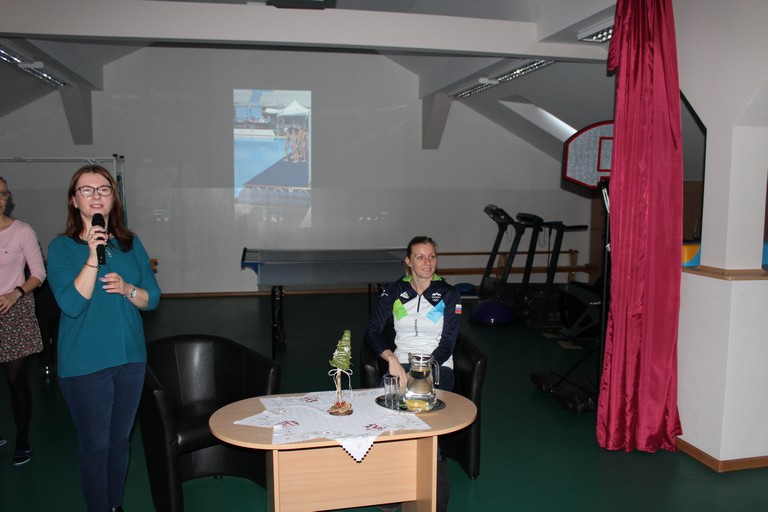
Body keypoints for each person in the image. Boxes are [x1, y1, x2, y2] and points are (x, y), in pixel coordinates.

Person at [47, 164, 161, 512]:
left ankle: (115, 505)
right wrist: (92, 259)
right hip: (85, 364)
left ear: (114, 198)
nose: (96, 196)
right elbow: (71, 304)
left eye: (104, 189)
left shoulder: (131, 243)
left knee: (120, 442)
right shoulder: (61, 247)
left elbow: (152, 298)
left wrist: (128, 289)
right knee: (95, 446)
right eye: (87, 189)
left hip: (131, 359)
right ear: (74, 200)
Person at [364, 236, 461, 512]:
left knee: (426, 421)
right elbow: (371, 331)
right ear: (408, 261)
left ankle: (436, 492)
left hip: (438, 366)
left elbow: (448, 343)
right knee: (389, 420)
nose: (427, 263)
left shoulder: (448, 294)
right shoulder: (395, 291)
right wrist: (392, 359)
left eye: (432, 257)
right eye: (420, 257)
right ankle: (394, 487)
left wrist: (422, 371)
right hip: (401, 363)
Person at [0, 177, 47, 467]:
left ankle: (22, 439)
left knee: (14, 379)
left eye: (3, 194)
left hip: (14, 310)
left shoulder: (22, 231)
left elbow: (38, 273)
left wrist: (15, 294)